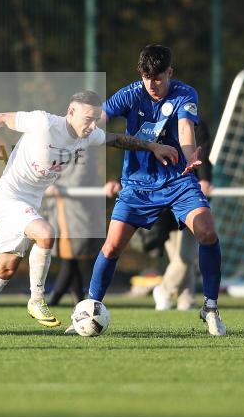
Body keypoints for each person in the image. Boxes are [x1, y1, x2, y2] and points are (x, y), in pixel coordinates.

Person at [0, 91, 178, 333]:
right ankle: (37, 300)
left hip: (28, 204)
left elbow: (118, 140)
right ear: (71, 112)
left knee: (5, 269)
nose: (92, 126)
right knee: (46, 233)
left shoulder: (86, 136)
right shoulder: (43, 122)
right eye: (88, 118)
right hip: (7, 198)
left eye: (96, 119)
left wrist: (153, 146)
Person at [82, 44, 226, 336]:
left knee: (207, 231)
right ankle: (89, 309)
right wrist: (84, 124)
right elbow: (99, 121)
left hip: (177, 181)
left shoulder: (185, 94)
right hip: (137, 184)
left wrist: (189, 159)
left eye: (158, 78)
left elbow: (186, 129)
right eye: (147, 78)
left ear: (169, 72)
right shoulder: (132, 93)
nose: (152, 84)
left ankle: (210, 307)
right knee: (111, 247)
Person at [150, 119, 214, 311]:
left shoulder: (197, 124)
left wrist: (204, 179)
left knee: (186, 256)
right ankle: (187, 300)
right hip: (164, 201)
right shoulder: (156, 123)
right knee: (179, 259)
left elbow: (202, 154)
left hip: (190, 196)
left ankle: (163, 290)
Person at [44, 177, 120, 306]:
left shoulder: (79, 160)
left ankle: (56, 301)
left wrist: (58, 184)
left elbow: (80, 175)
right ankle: (78, 301)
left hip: (74, 212)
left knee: (70, 259)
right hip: (63, 210)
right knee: (70, 260)